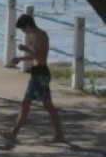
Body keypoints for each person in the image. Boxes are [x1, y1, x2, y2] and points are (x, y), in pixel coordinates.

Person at [4, 14, 65, 143]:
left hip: (42, 73)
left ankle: (59, 134)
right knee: (25, 104)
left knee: (48, 105)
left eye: (23, 29)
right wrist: (20, 59)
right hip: (35, 73)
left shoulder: (42, 35)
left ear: (27, 25)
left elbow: (40, 56)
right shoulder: (33, 36)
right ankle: (13, 133)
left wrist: (26, 49)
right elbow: (33, 57)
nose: (23, 32)